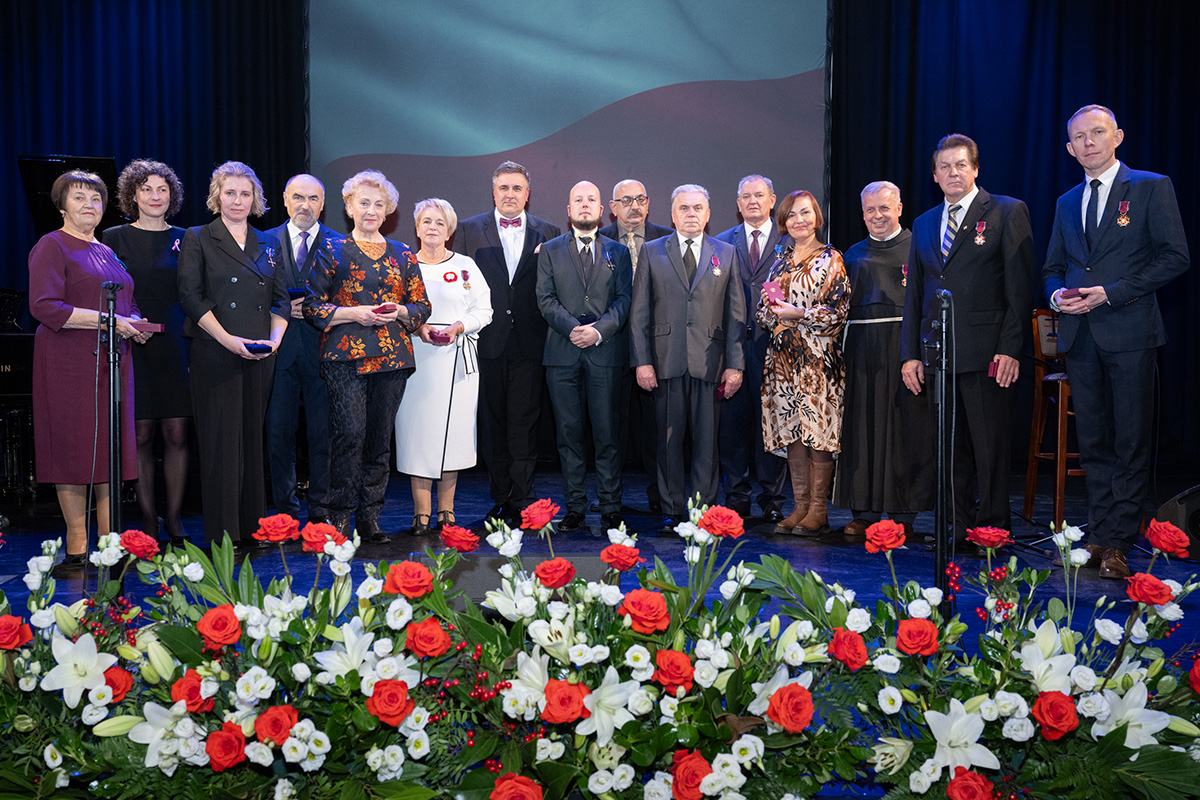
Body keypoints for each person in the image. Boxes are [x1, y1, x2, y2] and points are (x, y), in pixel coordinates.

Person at [1043, 105, 1189, 579]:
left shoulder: (1149, 186)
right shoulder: (1067, 201)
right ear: (1069, 148)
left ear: (1117, 136)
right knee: (1096, 443)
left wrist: (1111, 293)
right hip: (1081, 337)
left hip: (1129, 332)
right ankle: (1100, 533)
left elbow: (1175, 257)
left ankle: (1121, 543)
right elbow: (1053, 267)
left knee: (1130, 442)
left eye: (1097, 133)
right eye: (1079, 137)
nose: (1088, 142)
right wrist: (1056, 295)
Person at [901, 134, 1035, 547]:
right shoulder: (923, 223)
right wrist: (910, 354)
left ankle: (991, 530)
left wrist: (1010, 348)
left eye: (961, 165)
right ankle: (955, 528)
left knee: (989, 450)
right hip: (939, 355)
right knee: (949, 450)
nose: (953, 173)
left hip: (988, 355)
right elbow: (914, 296)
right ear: (935, 175)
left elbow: (1020, 288)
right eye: (945, 167)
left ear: (975, 169)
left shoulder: (1006, 212)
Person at [31, 170, 151, 575]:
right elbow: (45, 307)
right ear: (62, 205)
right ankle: (78, 543)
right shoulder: (52, 245)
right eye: (79, 197)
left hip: (110, 361)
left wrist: (134, 322)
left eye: (96, 199)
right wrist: (109, 320)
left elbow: (122, 303)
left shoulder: (106, 249)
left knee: (110, 448)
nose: (89, 205)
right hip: (67, 361)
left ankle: (110, 541)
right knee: (73, 448)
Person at [305, 170, 430, 542]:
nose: (371, 210)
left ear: (389, 210)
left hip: (392, 357)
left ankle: (370, 518)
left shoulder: (403, 254)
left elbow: (422, 305)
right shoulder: (331, 249)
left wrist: (402, 312)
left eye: (379, 204)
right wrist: (353, 313)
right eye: (364, 203)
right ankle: (340, 515)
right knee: (350, 434)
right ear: (349, 207)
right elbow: (312, 305)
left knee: (379, 439)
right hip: (345, 357)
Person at [179, 161, 289, 548]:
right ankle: (223, 535)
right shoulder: (199, 237)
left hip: (261, 354)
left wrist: (274, 341)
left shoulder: (269, 242)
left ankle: (251, 528)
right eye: (230, 193)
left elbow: (281, 300)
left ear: (255, 198)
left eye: (245, 194)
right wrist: (227, 340)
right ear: (217, 197)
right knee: (221, 445)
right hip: (216, 353)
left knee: (251, 442)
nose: (238, 200)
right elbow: (191, 297)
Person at [629, 184, 745, 532]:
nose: (691, 214)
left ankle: (703, 511)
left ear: (708, 214)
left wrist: (735, 363)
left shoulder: (725, 253)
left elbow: (736, 312)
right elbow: (639, 313)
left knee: (707, 444)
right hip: (665, 361)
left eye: (697, 208)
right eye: (684, 208)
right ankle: (671, 509)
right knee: (667, 441)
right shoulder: (652, 252)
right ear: (672, 213)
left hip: (710, 362)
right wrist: (642, 361)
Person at [453, 161, 560, 525]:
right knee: (494, 423)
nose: (510, 194)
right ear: (494, 192)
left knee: (525, 424)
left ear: (527, 194)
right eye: (504, 188)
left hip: (531, 340)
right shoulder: (468, 230)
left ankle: (524, 498)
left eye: (517, 188)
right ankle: (500, 498)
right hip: (488, 339)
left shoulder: (550, 231)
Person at [833, 181, 932, 539]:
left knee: (904, 429)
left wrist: (917, 354)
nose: (877, 215)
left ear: (900, 208)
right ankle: (863, 511)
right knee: (862, 429)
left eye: (884, 208)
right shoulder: (851, 255)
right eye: (870, 210)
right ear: (862, 214)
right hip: (861, 349)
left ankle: (903, 514)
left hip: (903, 349)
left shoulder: (919, 249)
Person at [536, 181, 634, 531]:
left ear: (601, 209)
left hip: (605, 353)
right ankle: (575, 505)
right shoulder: (549, 250)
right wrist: (573, 329)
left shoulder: (618, 252)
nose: (584, 204)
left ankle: (610, 505)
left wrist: (597, 331)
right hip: (561, 355)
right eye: (578, 199)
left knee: (607, 434)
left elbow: (625, 300)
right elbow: (545, 299)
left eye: (591, 199)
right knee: (569, 435)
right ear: (568, 210)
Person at [103, 159, 190, 547]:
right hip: (131, 338)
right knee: (139, 434)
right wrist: (129, 323)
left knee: (176, 432)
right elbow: (107, 290)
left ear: (171, 195)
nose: (155, 196)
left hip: (177, 340)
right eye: (146, 189)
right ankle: (147, 518)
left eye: (162, 190)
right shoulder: (113, 237)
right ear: (132, 195)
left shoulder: (188, 237)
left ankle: (174, 518)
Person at [394, 198, 492, 534]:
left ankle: (446, 511)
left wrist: (458, 327)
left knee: (453, 435)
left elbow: (485, 310)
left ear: (449, 230)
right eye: (426, 221)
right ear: (417, 227)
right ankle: (422, 512)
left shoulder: (465, 266)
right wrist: (418, 328)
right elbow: (395, 308)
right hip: (416, 358)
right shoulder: (403, 264)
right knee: (418, 433)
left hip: (458, 361)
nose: (432, 227)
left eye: (439, 222)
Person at [758, 191, 850, 536]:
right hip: (782, 362)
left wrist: (800, 315)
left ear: (816, 217)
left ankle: (819, 511)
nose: (799, 220)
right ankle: (799, 507)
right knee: (793, 432)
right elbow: (762, 309)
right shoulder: (779, 260)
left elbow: (838, 312)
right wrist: (773, 316)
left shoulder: (831, 259)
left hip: (817, 360)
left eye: (805, 213)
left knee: (817, 433)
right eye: (792, 215)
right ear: (784, 221)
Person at [716, 174, 788, 523]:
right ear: (738, 203)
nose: (753, 201)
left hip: (774, 346)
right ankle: (737, 494)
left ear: (772, 200)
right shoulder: (720, 243)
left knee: (771, 422)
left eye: (759, 195)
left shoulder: (790, 242)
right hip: (732, 346)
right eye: (746, 196)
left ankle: (772, 496)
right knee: (732, 423)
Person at [599, 179, 673, 514]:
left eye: (640, 198)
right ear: (612, 207)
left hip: (656, 347)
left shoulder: (666, 239)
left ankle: (660, 496)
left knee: (656, 428)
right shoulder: (598, 242)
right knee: (610, 425)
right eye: (626, 200)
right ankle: (610, 499)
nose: (635, 206)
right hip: (610, 344)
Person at [265, 174, 334, 526]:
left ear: (322, 204)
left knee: (323, 436)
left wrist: (314, 308)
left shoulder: (339, 244)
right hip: (278, 353)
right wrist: (278, 308)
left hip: (325, 352)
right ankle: (284, 512)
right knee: (278, 435)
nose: (305, 205)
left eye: (313, 198)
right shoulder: (262, 242)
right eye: (298, 197)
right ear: (285, 199)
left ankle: (320, 512)